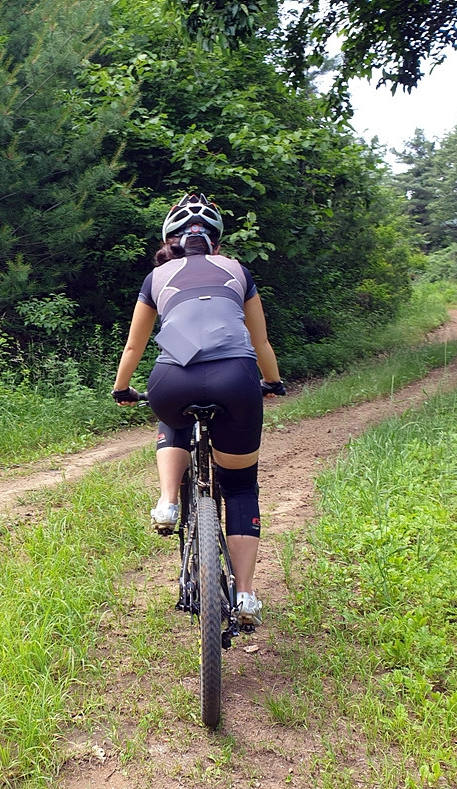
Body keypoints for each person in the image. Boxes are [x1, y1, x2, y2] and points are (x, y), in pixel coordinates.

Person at [110, 193, 284, 626]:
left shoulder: (156, 277)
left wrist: (121, 389)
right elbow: (260, 341)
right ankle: (245, 596)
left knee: (171, 416)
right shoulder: (238, 271)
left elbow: (134, 346)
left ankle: (168, 501)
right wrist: (273, 382)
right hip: (236, 378)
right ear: (216, 244)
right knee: (240, 488)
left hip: (174, 378)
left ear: (169, 241)